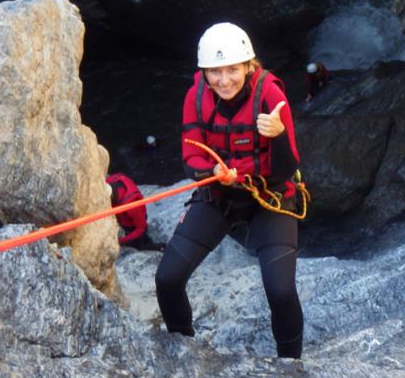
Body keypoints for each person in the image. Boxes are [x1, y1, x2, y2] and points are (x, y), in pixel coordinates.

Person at [155, 22, 304, 359]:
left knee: (280, 291)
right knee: (167, 279)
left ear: (248, 66)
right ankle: (183, 351)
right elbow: (190, 155)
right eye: (215, 72)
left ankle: (291, 365)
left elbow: (286, 167)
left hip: (269, 197)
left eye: (232, 70)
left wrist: (277, 134)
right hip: (220, 197)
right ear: (204, 72)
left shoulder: (270, 95)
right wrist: (212, 172)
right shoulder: (195, 97)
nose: (224, 80)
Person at [107, 173, 164, 251]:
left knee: (142, 245)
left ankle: (156, 248)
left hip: (133, 225)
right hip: (125, 219)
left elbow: (141, 229)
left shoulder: (131, 204)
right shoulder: (109, 182)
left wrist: (121, 241)